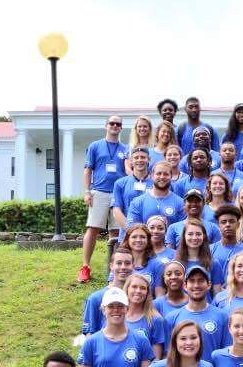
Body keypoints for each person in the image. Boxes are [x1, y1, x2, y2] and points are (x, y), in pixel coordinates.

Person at [79, 115, 127, 282]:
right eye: (112, 123)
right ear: (106, 125)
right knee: (93, 229)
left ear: (121, 128)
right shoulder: (95, 146)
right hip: (99, 191)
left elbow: (128, 171)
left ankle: (113, 269)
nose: (115, 126)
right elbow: (87, 170)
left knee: (115, 232)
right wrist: (87, 191)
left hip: (118, 194)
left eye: (118, 124)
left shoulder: (125, 149)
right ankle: (85, 267)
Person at [164, 266, 231, 359]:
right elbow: (169, 355)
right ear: (185, 285)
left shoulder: (223, 316)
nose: (196, 285)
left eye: (201, 281)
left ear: (209, 285)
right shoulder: (171, 318)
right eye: (192, 281)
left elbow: (227, 353)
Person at [82, 248, 134, 335]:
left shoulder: (137, 296)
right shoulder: (96, 298)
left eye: (127, 263)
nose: (123, 267)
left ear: (133, 266)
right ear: (111, 266)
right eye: (119, 263)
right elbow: (89, 335)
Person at [126, 162, 185, 230]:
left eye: (166, 174)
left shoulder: (181, 203)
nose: (162, 177)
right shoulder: (137, 202)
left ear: (171, 177)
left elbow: (181, 233)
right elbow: (132, 230)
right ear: (152, 176)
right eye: (158, 173)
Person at [111, 147, 152, 243]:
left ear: (149, 159)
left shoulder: (157, 182)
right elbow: (116, 210)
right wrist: (131, 229)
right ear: (131, 161)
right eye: (136, 157)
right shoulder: (120, 183)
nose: (139, 160)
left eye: (143, 157)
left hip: (151, 234)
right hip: (127, 234)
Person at [124, 273, 168, 358]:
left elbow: (156, 359)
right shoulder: (118, 316)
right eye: (134, 287)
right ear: (127, 289)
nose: (138, 291)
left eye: (143, 288)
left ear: (147, 293)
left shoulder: (155, 320)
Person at [117, 224, 165, 297]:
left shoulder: (157, 264)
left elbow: (160, 296)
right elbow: (112, 287)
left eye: (142, 237)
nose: (138, 240)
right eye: (134, 237)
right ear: (127, 239)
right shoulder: (120, 262)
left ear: (148, 240)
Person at [210, 204, 243, 285]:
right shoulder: (209, 250)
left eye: (231, 221)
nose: (227, 225)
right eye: (223, 222)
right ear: (218, 225)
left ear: (238, 224)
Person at [173, 218, 221, 289]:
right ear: (184, 236)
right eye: (190, 234)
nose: (194, 237)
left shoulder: (213, 263)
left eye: (198, 234)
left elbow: (217, 294)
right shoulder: (176, 263)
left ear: (203, 236)